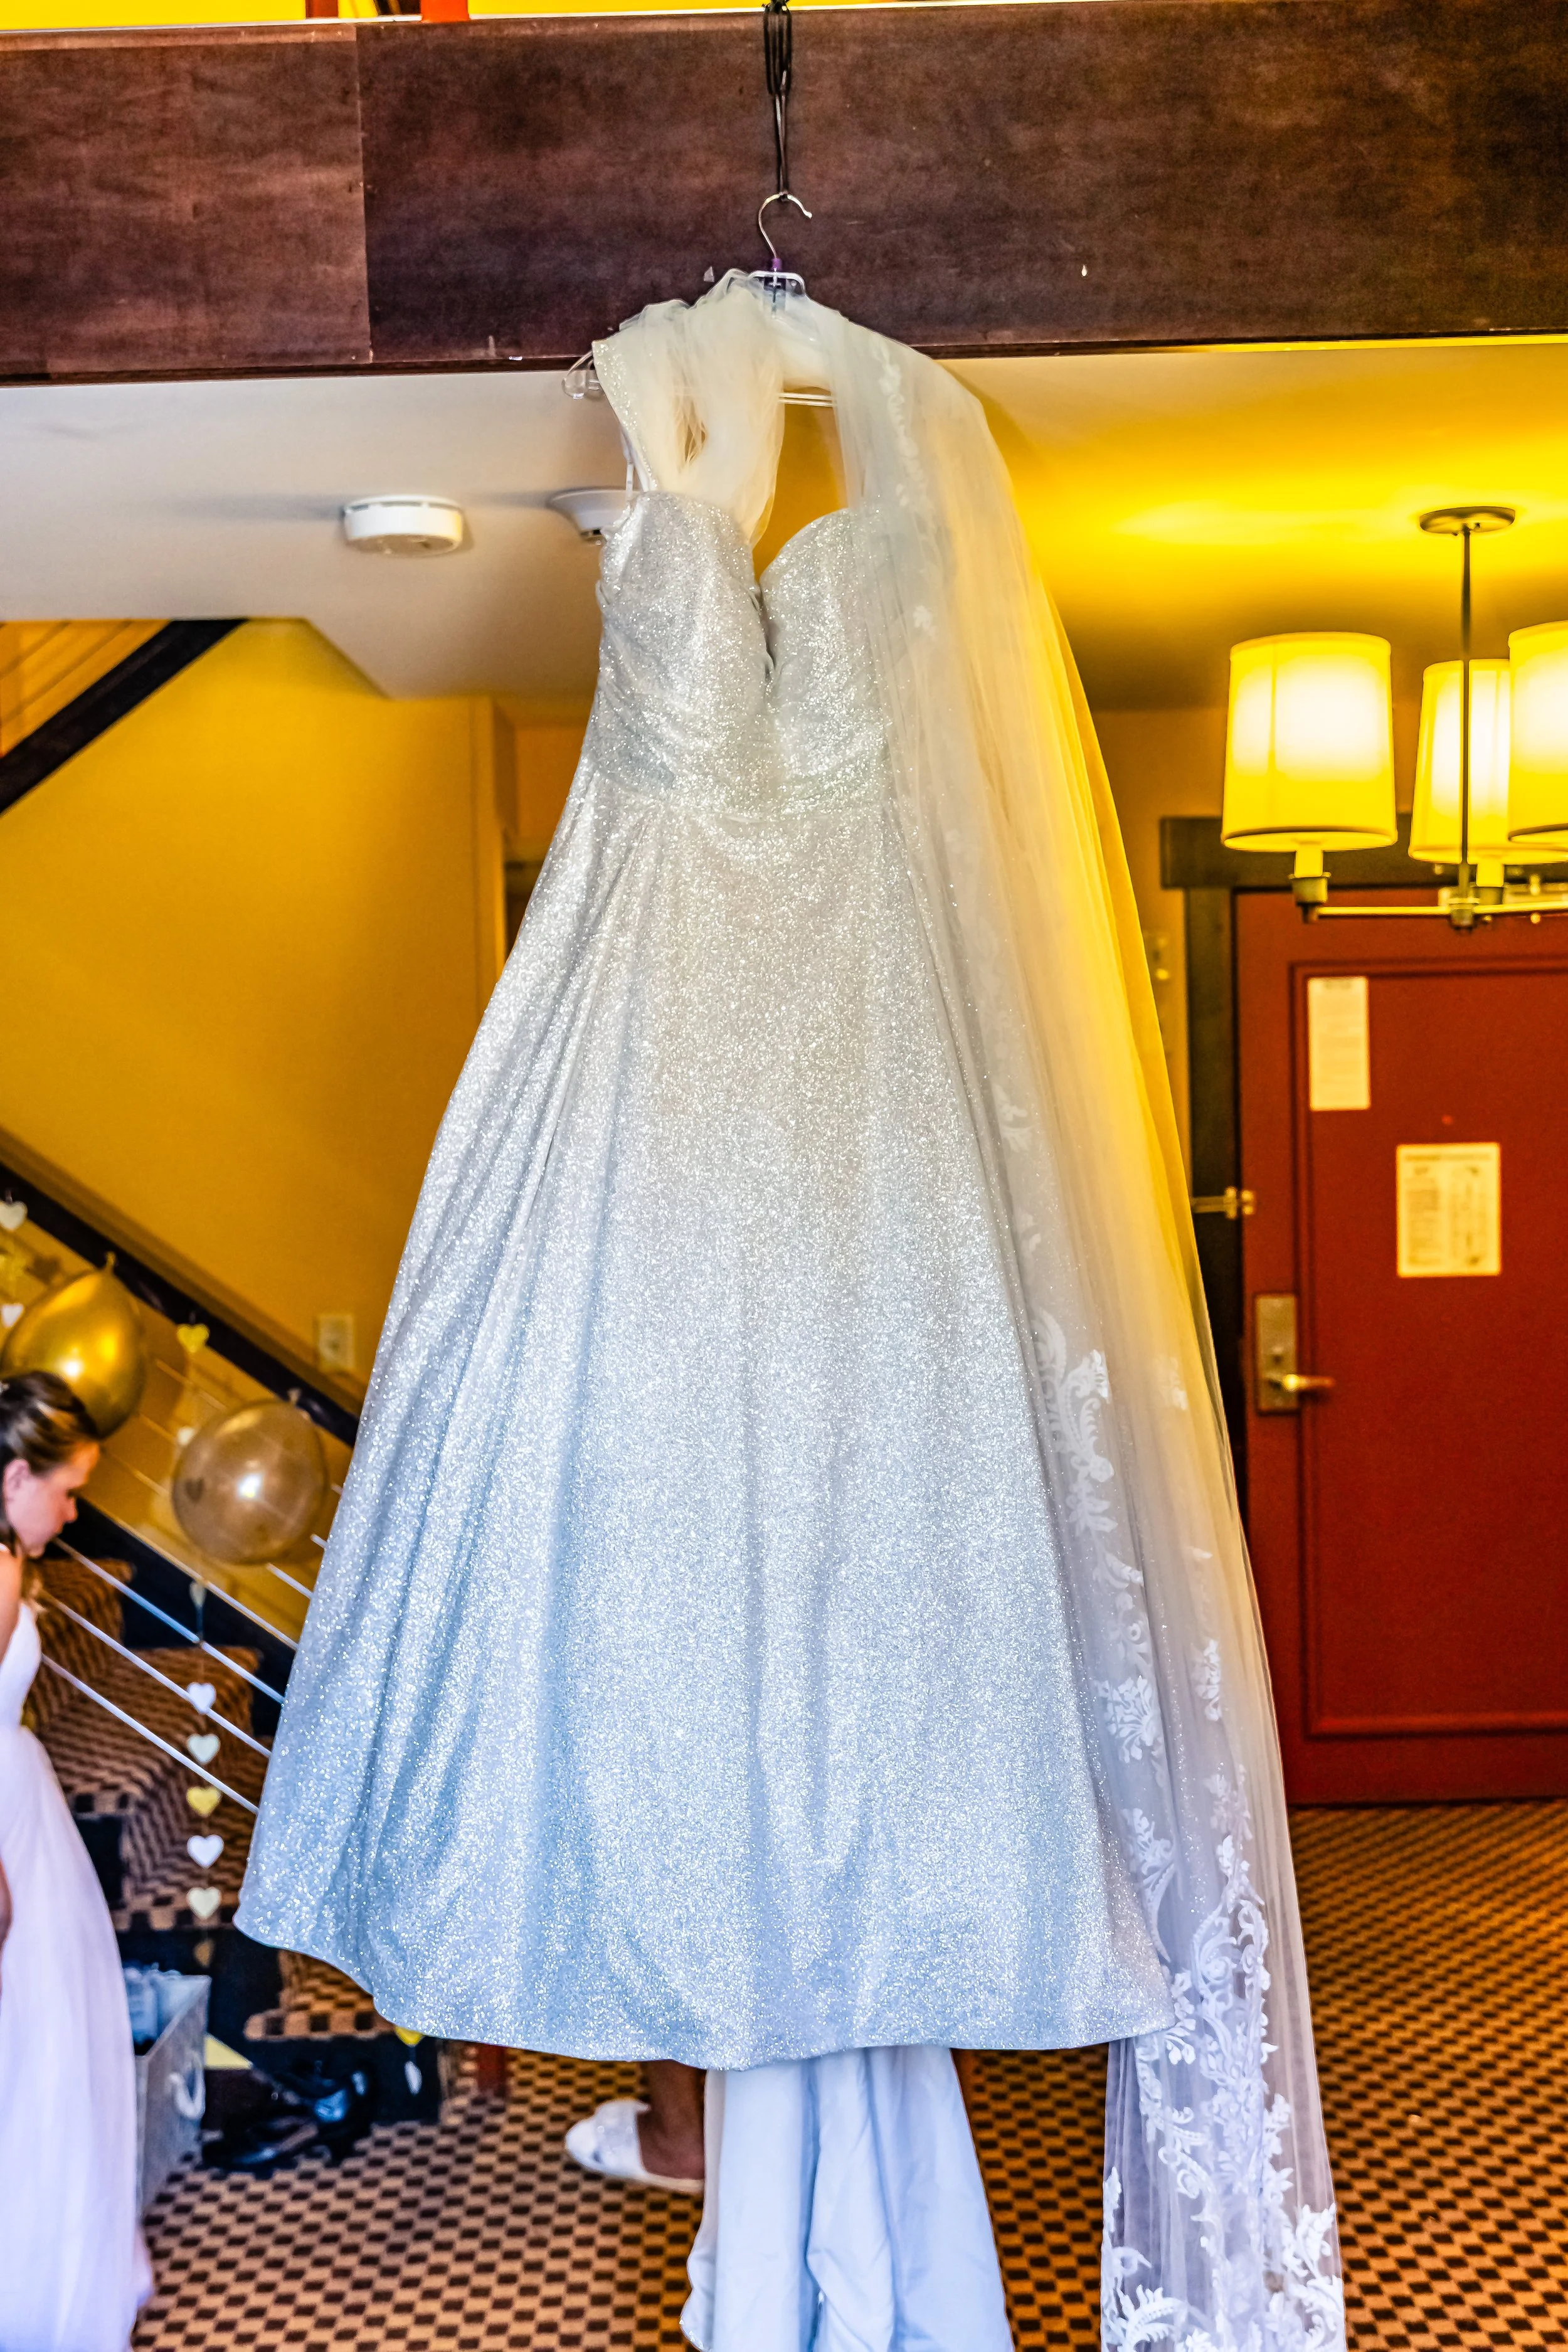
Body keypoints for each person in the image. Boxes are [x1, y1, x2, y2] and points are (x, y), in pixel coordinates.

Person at [241, 277, 1344, 2351]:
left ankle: (772, 2109)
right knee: (733, 1579)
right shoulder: (766, 462)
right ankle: (751, 2102)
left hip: (831, 1091)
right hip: (718, 1084)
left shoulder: (889, 468)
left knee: (850, 1563)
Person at [0, 1369, 152, 2352]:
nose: (74, 1508)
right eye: (66, 1489)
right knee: (40, 2060)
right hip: (9, 1829)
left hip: (23, 1805)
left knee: (39, 2056)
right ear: (15, 1475)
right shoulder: (2, 1574)